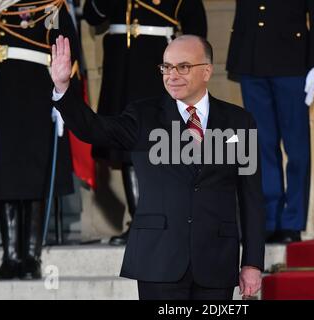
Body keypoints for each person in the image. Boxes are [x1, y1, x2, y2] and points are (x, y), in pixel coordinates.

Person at [51, 34, 265, 300]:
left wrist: (253, 262)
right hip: (158, 261)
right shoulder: (143, 115)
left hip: (216, 262)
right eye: (166, 67)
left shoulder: (239, 122)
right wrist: (63, 88)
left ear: (207, 71)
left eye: (183, 67)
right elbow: (94, 128)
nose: (172, 75)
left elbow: (252, 197)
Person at [83, 0, 207, 246]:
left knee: (160, 144)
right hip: (120, 65)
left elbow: (196, 28)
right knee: (127, 144)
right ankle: (140, 220)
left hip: (157, 64)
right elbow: (93, 15)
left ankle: (168, 219)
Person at [0, 0, 81, 280]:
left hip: (34, 97)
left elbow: (67, 51)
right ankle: (10, 257)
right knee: (6, 177)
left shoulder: (49, 6)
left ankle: (30, 258)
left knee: (32, 174)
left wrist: (61, 94)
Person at [226, 0, 314, 243]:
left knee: (296, 147)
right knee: (262, 146)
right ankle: (269, 219)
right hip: (251, 61)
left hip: (292, 61)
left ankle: (292, 222)